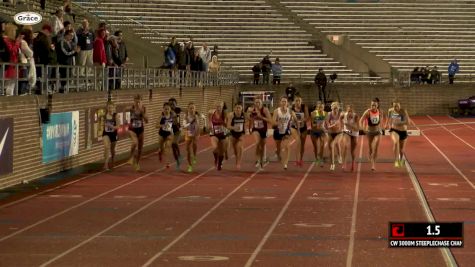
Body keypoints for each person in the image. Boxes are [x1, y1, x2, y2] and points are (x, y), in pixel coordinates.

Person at [272, 96, 298, 170]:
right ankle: (278, 153)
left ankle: (286, 163)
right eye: (282, 101)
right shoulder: (276, 111)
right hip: (277, 131)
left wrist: (298, 129)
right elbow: (273, 122)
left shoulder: (290, 111)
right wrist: (278, 123)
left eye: (285, 101)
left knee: (287, 146)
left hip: (286, 131)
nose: (283, 103)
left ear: (287, 103)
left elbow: (296, 120)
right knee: (278, 148)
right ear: (280, 103)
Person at [359, 98, 384, 171]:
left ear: (377, 105)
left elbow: (381, 121)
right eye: (372, 105)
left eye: (375, 105)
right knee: (370, 148)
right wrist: (363, 129)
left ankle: (373, 164)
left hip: (377, 132)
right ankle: (370, 156)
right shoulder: (367, 112)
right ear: (371, 105)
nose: (373, 107)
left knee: (375, 147)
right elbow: (361, 121)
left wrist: (382, 127)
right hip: (369, 132)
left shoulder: (380, 112)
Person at [247, 98, 272, 169]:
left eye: (259, 102)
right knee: (257, 143)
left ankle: (261, 161)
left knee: (262, 146)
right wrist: (249, 115)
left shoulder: (265, 110)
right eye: (256, 102)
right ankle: (257, 160)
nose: (257, 104)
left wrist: (261, 117)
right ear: (254, 103)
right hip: (255, 129)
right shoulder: (252, 110)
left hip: (263, 130)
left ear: (261, 103)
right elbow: (249, 119)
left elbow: (270, 120)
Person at [386, 100, 412, 168]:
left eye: (397, 106)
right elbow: (388, 118)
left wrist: (400, 123)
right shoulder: (390, 111)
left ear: (400, 106)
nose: (396, 107)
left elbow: (408, 122)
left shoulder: (403, 111)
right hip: (394, 130)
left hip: (403, 131)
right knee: (395, 142)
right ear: (392, 106)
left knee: (401, 149)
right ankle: (396, 160)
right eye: (394, 106)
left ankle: (401, 159)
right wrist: (386, 124)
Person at [128, 94, 148, 171]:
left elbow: (147, 121)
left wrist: (142, 113)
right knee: (134, 143)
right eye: (136, 101)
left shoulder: (143, 108)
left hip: (140, 129)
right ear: (134, 101)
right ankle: (131, 157)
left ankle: (137, 163)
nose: (137, 103)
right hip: (132, 129)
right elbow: (125, 111)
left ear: (141, 101)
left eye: (139, 101)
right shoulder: (131, 108)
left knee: (140, 148)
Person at [290, 94, 309, 167]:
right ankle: (296, 160)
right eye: (296, 101)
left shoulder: (304, 107)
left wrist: (301, 121)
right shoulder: (292, 108)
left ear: (301, 101)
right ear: (294, 102)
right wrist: (294, 121)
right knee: (298, 142)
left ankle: (301, 159)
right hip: (294, 127)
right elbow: (289, 117)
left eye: (299, 101)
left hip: (303, 127)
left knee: (302, 144)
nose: (297, 102)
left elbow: (307, 118)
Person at [100, 101, 119, 170]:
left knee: (112, 149)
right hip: (106, 133)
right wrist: (103, 124)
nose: (110, 109)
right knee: (106, 147)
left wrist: (111, 126)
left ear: (114, 108)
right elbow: (102, 124)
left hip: (113, 134)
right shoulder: (104, 116)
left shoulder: (115, 115)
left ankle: (113, 159)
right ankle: (105, 164)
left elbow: (118, 126)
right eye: (108, 107)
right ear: (107, 108)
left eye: (111, 107)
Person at [156, 102, 176, 169]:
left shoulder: (172, 116)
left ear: (170, 109)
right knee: (161, 149)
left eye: (168, 109)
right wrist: (162, 125)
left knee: (167, 147)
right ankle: (160, 152)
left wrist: (172, 130)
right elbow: (156, 125)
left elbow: (173, 125)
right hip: (161, 134)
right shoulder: (161, 116)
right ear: (163, 109)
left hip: (169, 134)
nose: (166, 110)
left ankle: (167, 162)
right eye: (165, 109)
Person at [209, 101, 227, 170]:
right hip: (214, 133)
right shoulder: (211, 113)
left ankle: (220, 163)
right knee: (215, 147)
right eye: (217, 106)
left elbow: (227, 124)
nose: (218, 108)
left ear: (222, 107)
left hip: (223, 133)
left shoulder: (224, 114)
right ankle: (216, 159)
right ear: (215, 106)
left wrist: (224, 124)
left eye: (220, 106)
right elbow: (210, 121)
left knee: (222, 150)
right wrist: (210, 126)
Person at [340, 105, 359, 172]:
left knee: (352, 151)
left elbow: (357, 129)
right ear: (346, 111)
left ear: (353, 112)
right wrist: (341, 127)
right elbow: (340, 119)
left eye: (351, 111)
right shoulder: (343, 115)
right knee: (345, 146)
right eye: (348, 111)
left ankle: (353, 163)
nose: (349, 113)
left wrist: (349, 125)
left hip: (354, 132)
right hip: (347, 131)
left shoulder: (355, 116)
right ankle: (344, 163)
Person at [227, 103, 246, 169]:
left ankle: (238, 162)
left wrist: (246, 130)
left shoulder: (244, 115)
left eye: (239, 108)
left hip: (241, 134)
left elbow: (246, 123)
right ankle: (237, 159)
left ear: (242, 109)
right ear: (234, 108)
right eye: (236, 108)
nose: (238, 109)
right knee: (235, 150)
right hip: (233, 134)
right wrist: (234, 128)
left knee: (240, 147)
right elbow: (228, 126)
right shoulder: (231, 115)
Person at [325, 102, 342, 171]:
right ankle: (332, 162)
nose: (335, 110)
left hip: (338, 133)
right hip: (330, 133)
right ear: (331, 108)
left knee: (334, 144)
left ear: (338, 108)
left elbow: (343, 123)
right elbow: (328, 125)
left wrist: (339, 126)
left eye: (337, 108)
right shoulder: (329, 114)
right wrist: (333, 125)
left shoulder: (340, 114)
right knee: (330, 148)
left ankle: (338, 158)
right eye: (334, 108)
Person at [183, 102, 200, 172]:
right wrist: (187, 125)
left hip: (195, 133)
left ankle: (195, 155)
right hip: (188, 133)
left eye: (193, 108)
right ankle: (190, 165)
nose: (192, 109)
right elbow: (184, 125)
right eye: (190, 108)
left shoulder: (196, 116)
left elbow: (198, 126)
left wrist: (196, 131)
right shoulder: (186, 116)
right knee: (187, 150)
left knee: (194, 144)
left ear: (195, 109)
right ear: (188, 109)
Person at [310, 102, 327, 167]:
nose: (320, 109)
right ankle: (316, 158)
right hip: (314, 131)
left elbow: (326, 124)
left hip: (321, 131)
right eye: (319, 107)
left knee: (322, 144)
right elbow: (313, 125)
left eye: (322, 107)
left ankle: (321, 159)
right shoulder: (313, 113)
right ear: (317, 107)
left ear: (323, 108)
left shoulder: (325, 114)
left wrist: (325, 129)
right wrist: (317, 125)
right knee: (315, 147)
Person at [168, 98, 183, 170]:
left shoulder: (177, 109)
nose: (171, 106)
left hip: (177, 130)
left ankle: (179, 155)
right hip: (170, 131)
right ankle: (177, 161)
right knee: (172, 146)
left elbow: (186, 110)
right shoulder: (167, 111)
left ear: (176, 105)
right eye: (170, 104)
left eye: (173, 104)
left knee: (174, 143)